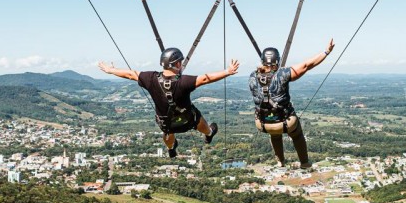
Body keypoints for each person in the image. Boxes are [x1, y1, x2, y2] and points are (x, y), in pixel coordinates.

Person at [98, 47, 239, 158]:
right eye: (181, 62)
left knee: (167, 131)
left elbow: (130, 74)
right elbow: (206, 79)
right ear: (177, 64)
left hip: (167, 124)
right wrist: (228, 71)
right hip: (188, 120)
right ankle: (208, 133)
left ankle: (171, 148)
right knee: (197, 119)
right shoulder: (184, 81)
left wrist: (111, 70)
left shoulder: (151, 78)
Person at [249, 39, 335, 168]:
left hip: (262, 123)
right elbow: (307, 65)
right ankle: (304, 162)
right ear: (276, 60)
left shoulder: (252, 76)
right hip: (286, 122)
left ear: (262, 61)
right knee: (297, 134)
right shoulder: (282, 74)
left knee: (275, 133)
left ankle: (280, 161)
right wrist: (326, 52)